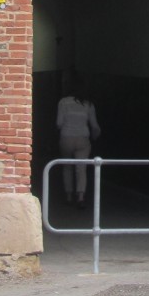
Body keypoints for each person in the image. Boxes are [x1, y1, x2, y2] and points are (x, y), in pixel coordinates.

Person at [56, 80, 100, 208]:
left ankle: (68, 196)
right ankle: (80, 197)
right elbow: (95, 126)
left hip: (66, 137)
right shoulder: (88, 104)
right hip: (83, 139)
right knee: (81, 169)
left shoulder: (63, 102)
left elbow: (59, 123)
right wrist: (94, 138)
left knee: (67, 167)